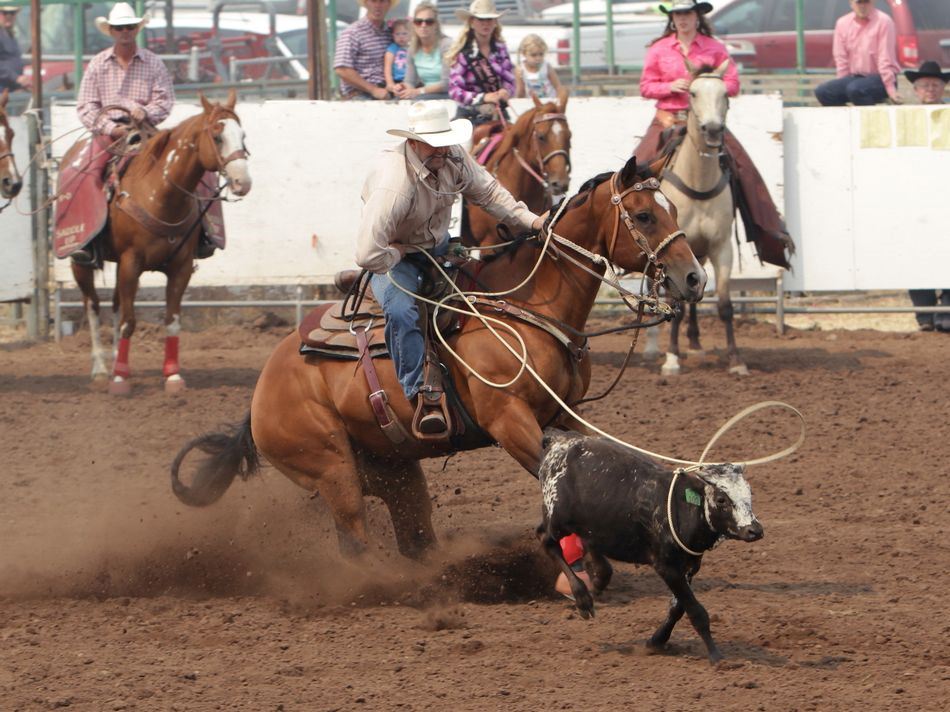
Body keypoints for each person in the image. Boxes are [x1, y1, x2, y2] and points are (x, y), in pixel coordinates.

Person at [355, 101, 544, 432]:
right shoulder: (394, 184)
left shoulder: (454, 157)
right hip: (393, 255)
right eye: (433, 141)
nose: (441, 148)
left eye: (444, 139)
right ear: (413, 142)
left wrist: (533, 222)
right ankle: (420, 393)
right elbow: (368, 254)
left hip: (437, 246)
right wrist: (399, 252)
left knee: (485, 291)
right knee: (402, 312)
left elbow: (490, 195)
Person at [633, 0, 792, 269]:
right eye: (677, 15)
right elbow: (646, 86)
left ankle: (769, 231)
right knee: (635, 171)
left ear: (697, 17)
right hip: (669, 118)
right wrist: (670, 86)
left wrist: (707, 85)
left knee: (744, 170)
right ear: (672, 19)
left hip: (708, 121)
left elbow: (732, 83)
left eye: (687, 14)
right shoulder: (659, 49)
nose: (682, 19)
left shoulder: (714, 47)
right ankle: (631, 242)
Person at [904, 60, 950, 332]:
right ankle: (924, 314)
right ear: (915, 90)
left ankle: (945, 309)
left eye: (935, 85)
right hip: (915, 195)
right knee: (915, 252)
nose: (930, 90)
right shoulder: (906, 118)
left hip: (944, 191)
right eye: (924, 86)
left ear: (943, 88)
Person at [814, 0, 901, 107]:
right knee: (823, 92)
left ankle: (870, 121)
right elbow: (841, 59)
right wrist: (841, 84)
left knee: (855, 89)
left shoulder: (884, 21)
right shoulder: (842, 23)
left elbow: (885, 57)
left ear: (873, 2)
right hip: (855, 78)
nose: (862, 6)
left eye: (866, 2)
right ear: (851, 3)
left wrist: (890, 89)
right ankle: (846, 121)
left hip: (881, 79)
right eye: (859, 2)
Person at [447, 0, 516, 126]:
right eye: (480, 19)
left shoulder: (501, 49)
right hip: (469, 116)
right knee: (464, 145)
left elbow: (510, 80)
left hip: (498, 112)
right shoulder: (463, 53)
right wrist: (482, 97)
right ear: (472, 22)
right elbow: (455, 91)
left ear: (495, 22)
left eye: (489, 19)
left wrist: (506, 91)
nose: (486, 24)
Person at [333, 0, 395, 100]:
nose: (377, 5)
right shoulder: (352, 33)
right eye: (373, 1)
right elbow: (342, 69)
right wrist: (373, 90)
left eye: (382, 1)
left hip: (387, 92)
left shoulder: (390, 33)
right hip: (359, 95)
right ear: (365, 3)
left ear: (389, 4)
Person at [398, 2, 450, 100]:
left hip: (447, 95)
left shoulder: (446, 45)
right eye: (418, 21)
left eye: (429, 21)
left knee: (417, 101)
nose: (423, 25)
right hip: (424, 94)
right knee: (397, 101)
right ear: (414, 25)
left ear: (436, 25)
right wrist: (404, 88)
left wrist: (418, 91)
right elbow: (410, 81)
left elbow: (447, 84)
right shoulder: (412, 48)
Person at [514, 34, 561, 99]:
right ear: (524, 54)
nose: (538, 58)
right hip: (532, 104)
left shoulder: (546, 67)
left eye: (541, 54)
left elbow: (558, 86)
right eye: (534, 55)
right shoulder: (520, 69)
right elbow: (520, 91)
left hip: (549, 102)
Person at [0, 5, 28, 93]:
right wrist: (16, 78)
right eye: (5, 13)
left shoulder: (10, 35)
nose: (9, 16)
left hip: (11, 89)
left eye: (12, 13)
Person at [384, 18, 410, 96]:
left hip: (410, 80)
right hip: (397, 80)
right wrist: (389, 82)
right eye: (397, 34)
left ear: (411, 34)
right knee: (399, 95)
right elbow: (387, 67)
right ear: (393, 35)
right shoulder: (393, 48)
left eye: (404, 34)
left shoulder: (413, 48)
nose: (401, 37)